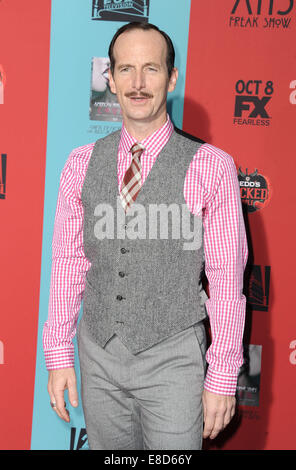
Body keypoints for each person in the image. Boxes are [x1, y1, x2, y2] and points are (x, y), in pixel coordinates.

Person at [44, 22, 248, 450]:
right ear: (111, 79)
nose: (138, 84)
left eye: (151, 69)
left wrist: (223, 376)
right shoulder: (79, 164)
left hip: (174, 361)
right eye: (126, 70)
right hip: (97, 357)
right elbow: (68, 264)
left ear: (171, 78)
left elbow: (228, 281)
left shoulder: (212, 166)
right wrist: (58, 353)